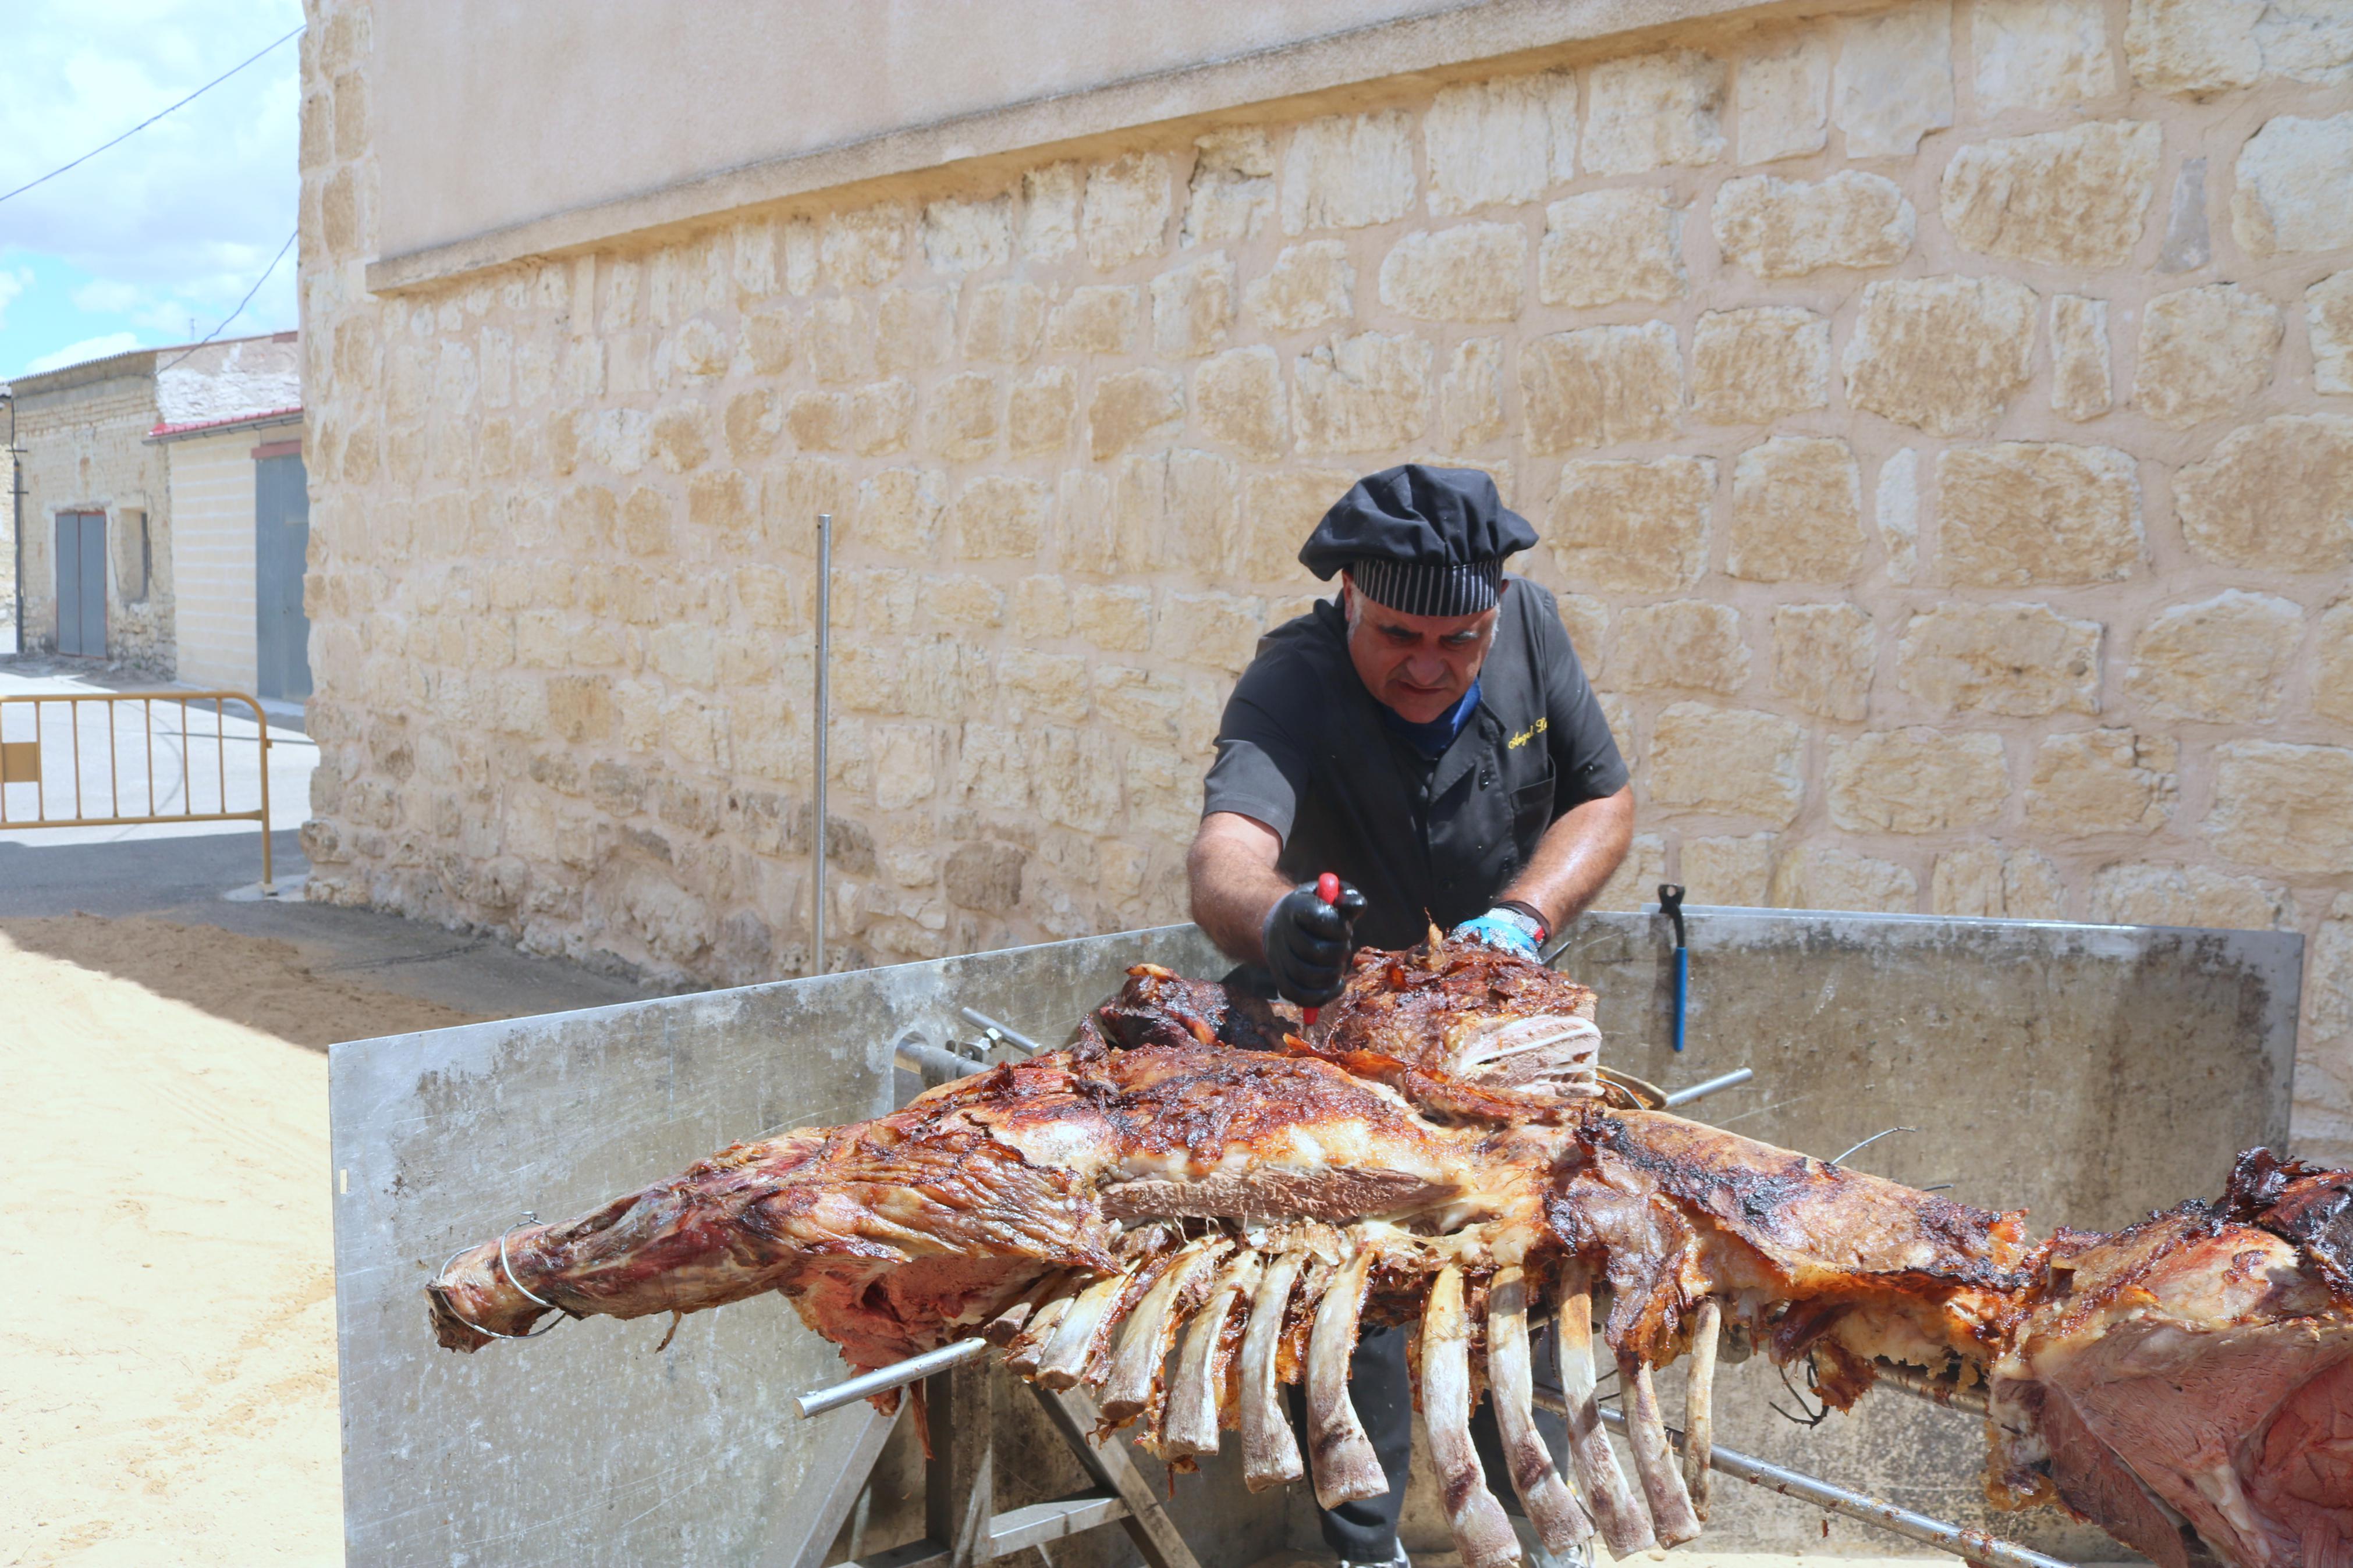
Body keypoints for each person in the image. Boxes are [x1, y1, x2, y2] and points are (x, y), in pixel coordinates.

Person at [1186, 463, 1632, 1568]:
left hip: (1502, 1027)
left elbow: (1604, 797)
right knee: (1367, 1305)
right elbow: (1224, 858)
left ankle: (1551, 1538)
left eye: (1459, 642)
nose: (1429, 667)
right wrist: (1277, 917)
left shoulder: (1531, 629)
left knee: (1531, 1279)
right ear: (1348, 600)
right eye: (1397, 637)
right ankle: (1366, 1547)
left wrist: (1526, 915)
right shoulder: (1290, 681)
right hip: (1344, 1045)